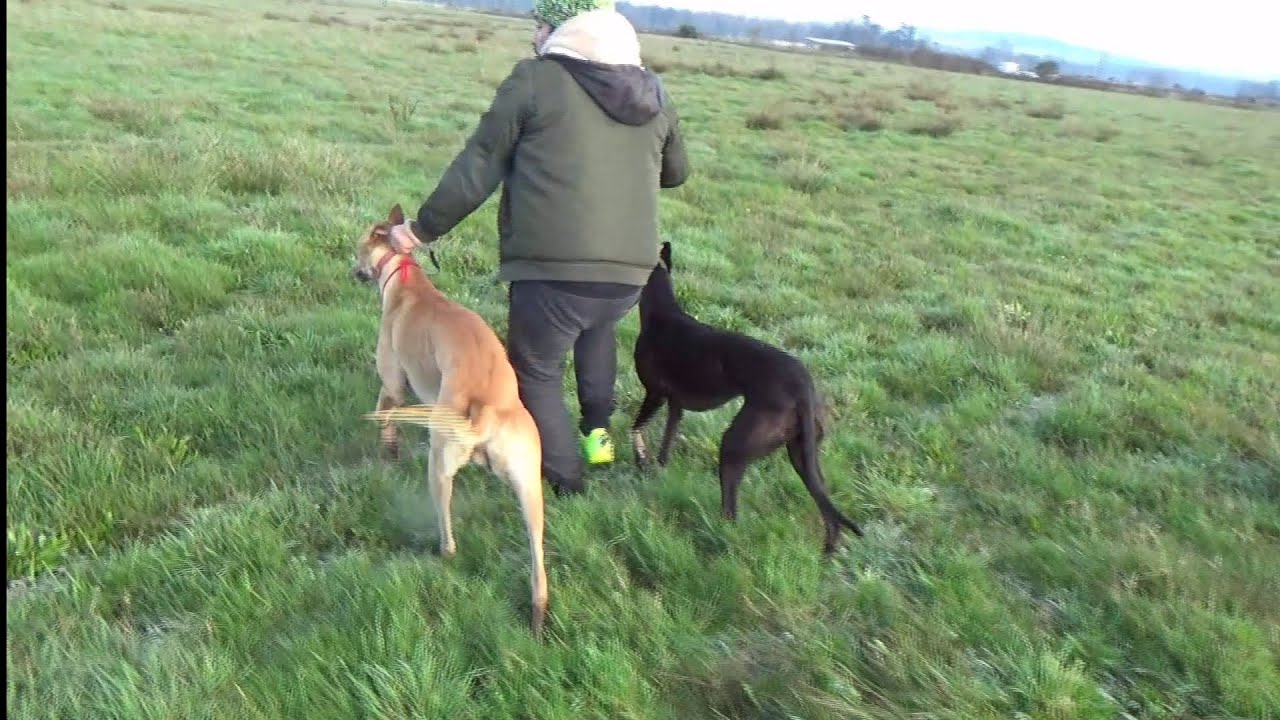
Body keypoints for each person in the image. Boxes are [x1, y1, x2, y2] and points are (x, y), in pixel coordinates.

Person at [388, 0, 689, 497]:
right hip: (630, 273)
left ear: (563, 29)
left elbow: (479, 163)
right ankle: (598, 437)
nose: (534, 36)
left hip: (552, 270)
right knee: (597, 330)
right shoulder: (655, 92)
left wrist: (420, 230)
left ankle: (566, 483)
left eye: (540, 26)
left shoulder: (535, 79)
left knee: (536, 371)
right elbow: (676, 173)